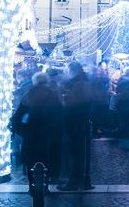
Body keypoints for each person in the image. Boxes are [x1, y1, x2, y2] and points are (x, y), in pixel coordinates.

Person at [11, 72, 63, 189]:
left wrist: (20, 131)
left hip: (31, 134)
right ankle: (45, 186)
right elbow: (60, 114)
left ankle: (32, 186)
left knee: (31, 161)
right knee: (46, 160)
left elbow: (19, 114)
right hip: (48, 134)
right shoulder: (53, 94)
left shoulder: (29, 94)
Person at [57, 62, 91, 191]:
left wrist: (64, 96)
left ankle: (74, 182)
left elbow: (71, 102)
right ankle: (80, 180)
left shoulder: (77, 83)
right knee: (78, 152)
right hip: (80, 120)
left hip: (75, 121)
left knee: (75, 153)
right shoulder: (82, 81)